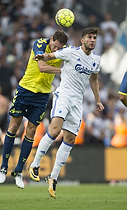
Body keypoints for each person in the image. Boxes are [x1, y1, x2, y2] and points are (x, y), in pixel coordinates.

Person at [29, 27, 104, 198]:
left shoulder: (96, 60)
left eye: (94, 38)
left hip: (77, 102)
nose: (92, 40)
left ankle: (53, 177)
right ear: (82, 40)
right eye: (89, 37)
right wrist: (43, 56)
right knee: (55, 131)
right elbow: (52, 56)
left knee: (70, 139)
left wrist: (98, 100)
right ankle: (35, 164)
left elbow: (94, 80)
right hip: (63, 95)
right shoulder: (70, 52)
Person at [0, 30, 68, 189]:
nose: (56, 50)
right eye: (55, 46)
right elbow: (42, 67)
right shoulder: (40, 44)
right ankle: (3, 167)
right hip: (25, 89)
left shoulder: (64, 51)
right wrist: (63, 70)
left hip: (42, 95)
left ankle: (19, 171)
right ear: (51, 40)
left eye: (59, 48)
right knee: (13, 127)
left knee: (31, 131)